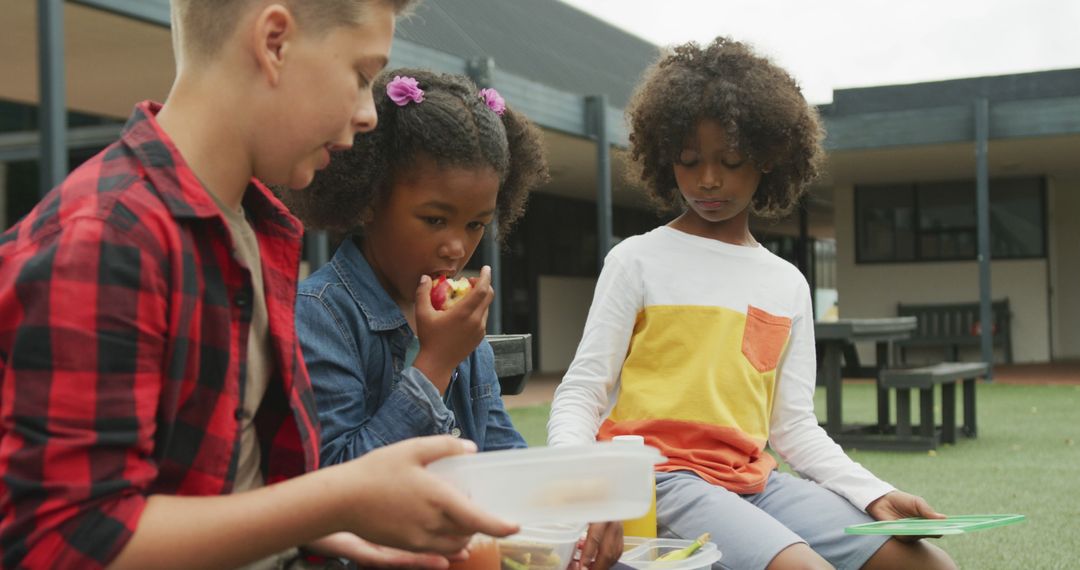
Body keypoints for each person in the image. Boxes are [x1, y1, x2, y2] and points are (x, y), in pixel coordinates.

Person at [0, 2, 517, 569]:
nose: (369, 113)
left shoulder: (252, 232)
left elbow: (224, 489)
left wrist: (325, 533)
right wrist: (338, 501)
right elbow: (62, 541)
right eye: (362, 76)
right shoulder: (106, 240)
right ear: (274, 42)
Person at [546, 37, 957, 570]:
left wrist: (873, 493)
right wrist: (583, 489)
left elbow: (793, 426)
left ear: (770, 157)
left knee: (926, 564)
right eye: (689, 161)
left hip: (753, 482)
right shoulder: (637, 260)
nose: (708, 179)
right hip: (658, 480)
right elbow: (581, 392)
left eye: (731, 160)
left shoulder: (786, 283)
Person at [281, 68, 623, 570]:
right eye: (435, 220)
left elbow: (500, 451)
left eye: (476, 224)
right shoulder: (320, 315)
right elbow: (338, 486)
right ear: (370, 201)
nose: (457, 246)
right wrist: (436, 363)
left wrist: (579, 502)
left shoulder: (459, 326)